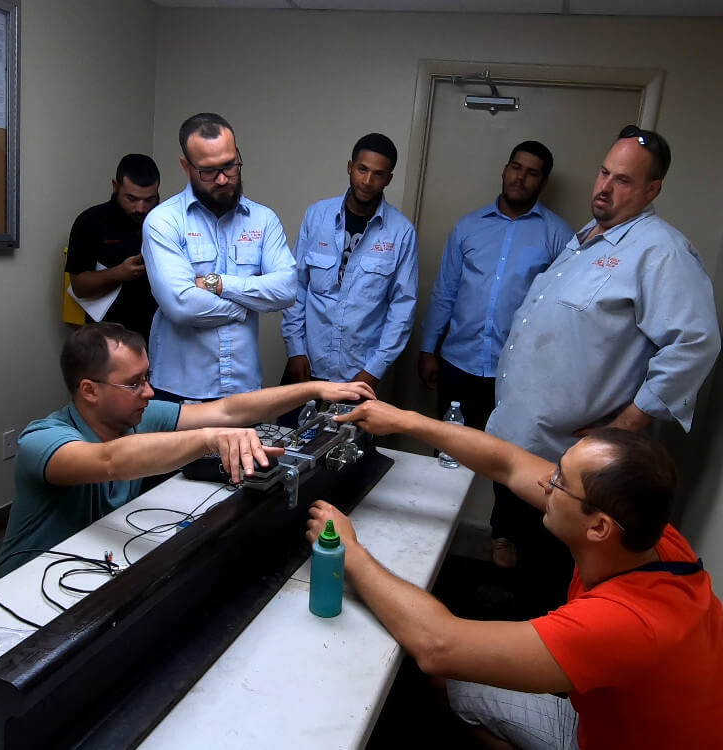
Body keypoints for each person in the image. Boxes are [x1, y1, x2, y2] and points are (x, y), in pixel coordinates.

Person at [309, 399, 723, 750]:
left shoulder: (624, 623)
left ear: (598, 527)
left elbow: (439, 644)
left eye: (560, 481)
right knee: (450, 685)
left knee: (438, 669)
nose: (546, 482)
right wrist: (406, 420)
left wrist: (350, 550)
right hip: (619, 722)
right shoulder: (647, 536)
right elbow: (508, 463)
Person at [484, 126, 720, 608]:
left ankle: (542, 676)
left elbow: (695, 343)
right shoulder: (587, 239)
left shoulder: (661, 251)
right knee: (524, 567)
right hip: (521, 442)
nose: (605, 188)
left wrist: (627, 425)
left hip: (569, 466)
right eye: (604, 173)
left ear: (653, 189)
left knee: (552, 585)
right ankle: (514, 657)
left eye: (624, 180)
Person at [0, 322, 374, 575]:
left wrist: (312, 389)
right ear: (89, 390)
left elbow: (228, 409)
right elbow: (108, 461)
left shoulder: (136, 415)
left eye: (148, 377)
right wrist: (210, 438)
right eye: (133, 383)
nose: (148, 392)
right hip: (26, 584)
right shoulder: (41, 441)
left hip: (91, 567)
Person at [418, 141, 573, 568]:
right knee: (448, 449)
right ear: (505, 170)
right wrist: (429, 348)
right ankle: (434, 529)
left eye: (533, 172)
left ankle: (504, 536)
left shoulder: (559, 236)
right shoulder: (467, 228)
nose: (521, 178)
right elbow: (446, 292)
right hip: (459, 362)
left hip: (519, 374)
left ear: (542, 181)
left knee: (514, 460)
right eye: (516, 167)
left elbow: (561, 307)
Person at [141, 112, 296, 401]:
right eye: (209, 171)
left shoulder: (263, 220)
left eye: (230, 165)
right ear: (186, 167)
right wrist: (246, 308)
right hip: (179, 391)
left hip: (243, 388)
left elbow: (287, 289)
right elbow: (181, 304)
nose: (224, 179)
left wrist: (219, 284)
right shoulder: (163, 221)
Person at [281, 133, 418, 391]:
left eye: (378, 174)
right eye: (362, 169)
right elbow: (296, 286)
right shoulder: (317, 216)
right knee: (286, 432)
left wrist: (374, 370)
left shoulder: (401, 232)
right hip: (306, 365)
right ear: (350, 167)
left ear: (388, 180)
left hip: (358, 373)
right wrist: (295, 349)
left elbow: (402, 309)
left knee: (348, 434)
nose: (367, 181)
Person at [66, 154, 161, 341]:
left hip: (160, 333)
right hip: (107, 336)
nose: (140, 208)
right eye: (132, 198)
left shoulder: (166, 221)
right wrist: (119, 273)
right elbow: (79, 286)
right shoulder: (91, 221)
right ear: (115, 187)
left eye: (149, 199)